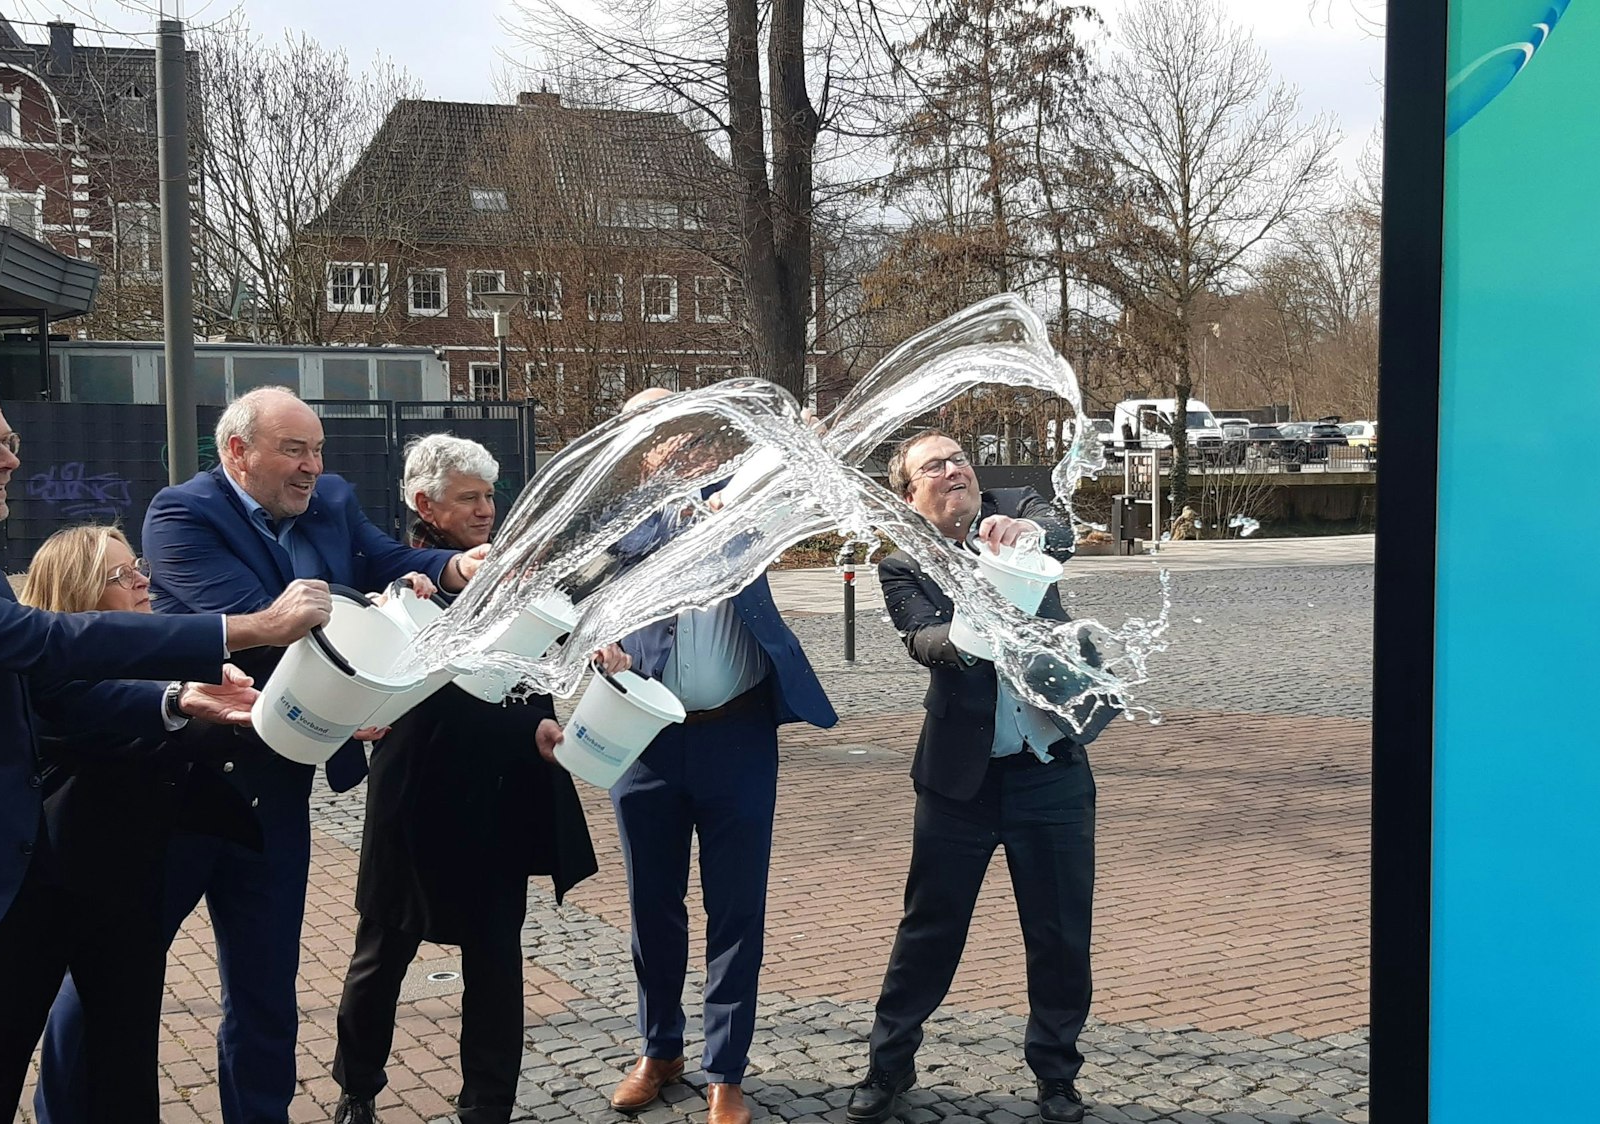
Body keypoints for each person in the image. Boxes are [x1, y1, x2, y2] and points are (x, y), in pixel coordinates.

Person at [0, 366, 329, 1124]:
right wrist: (246, 627)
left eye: (10, 441)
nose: (10, 461)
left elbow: (46, 693)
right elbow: (48, 638)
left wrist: (177, 697)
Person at [35, 386, 490, 1124]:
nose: (313, 467)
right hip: (175, 790)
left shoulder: (333, 500)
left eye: (317, 449)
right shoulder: (183, 514)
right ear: (237, 453)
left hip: (275, 785)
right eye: (294, 450)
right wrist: (371, 617)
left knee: (266, 992)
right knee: (107, 981)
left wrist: (450, 571)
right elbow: (265, 621)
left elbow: (388, 556)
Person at [329, 434, 602, 1124]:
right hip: (416, 790)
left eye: (489, 495)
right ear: (426, 505)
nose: (486, 510)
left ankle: (488, 1105)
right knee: (382, 949)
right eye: (469, 498)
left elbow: (542, 664)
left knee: (494, 958)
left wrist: (551, 710)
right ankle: (357, 1087)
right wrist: (397, 604)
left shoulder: (517, 569)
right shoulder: (397, 576)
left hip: (501, 789)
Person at [0, 525, 265, 1124]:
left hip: (126, 892)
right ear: (78, 595)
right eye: (120, 575)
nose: (143, 579)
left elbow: (204, 722)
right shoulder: (42, 672)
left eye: (138, 565)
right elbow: (112, 721)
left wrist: (314, 715)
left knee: (124, 1065)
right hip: (32, 894)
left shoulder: (167, 658)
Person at [844, 430, 1100, 1124]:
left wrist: (1027, 532)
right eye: (935, 466)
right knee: (928, 933)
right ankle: (887, 1067)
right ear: (910, 493)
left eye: (958, 459)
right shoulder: (904, 563)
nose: (953, 470)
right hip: (958, 783)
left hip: (1051, 770)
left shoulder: (1014, 506)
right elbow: (919, 638)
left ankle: (1055, 1075)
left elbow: (1060, 529)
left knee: (1058, 935)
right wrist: (964, 634)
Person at [598, 389, 837, 1124]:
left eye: (693, 433)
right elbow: (578, 591)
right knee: (652, 906)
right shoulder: (624, 523)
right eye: (662, 436)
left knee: (736, 908)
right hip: (646, 739)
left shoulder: (741, 504)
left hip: (737, 737)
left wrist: (801, 446)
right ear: (644, 452)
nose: (682, 446)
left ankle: (724, 1069)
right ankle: (658, 1046)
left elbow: (801, 493)